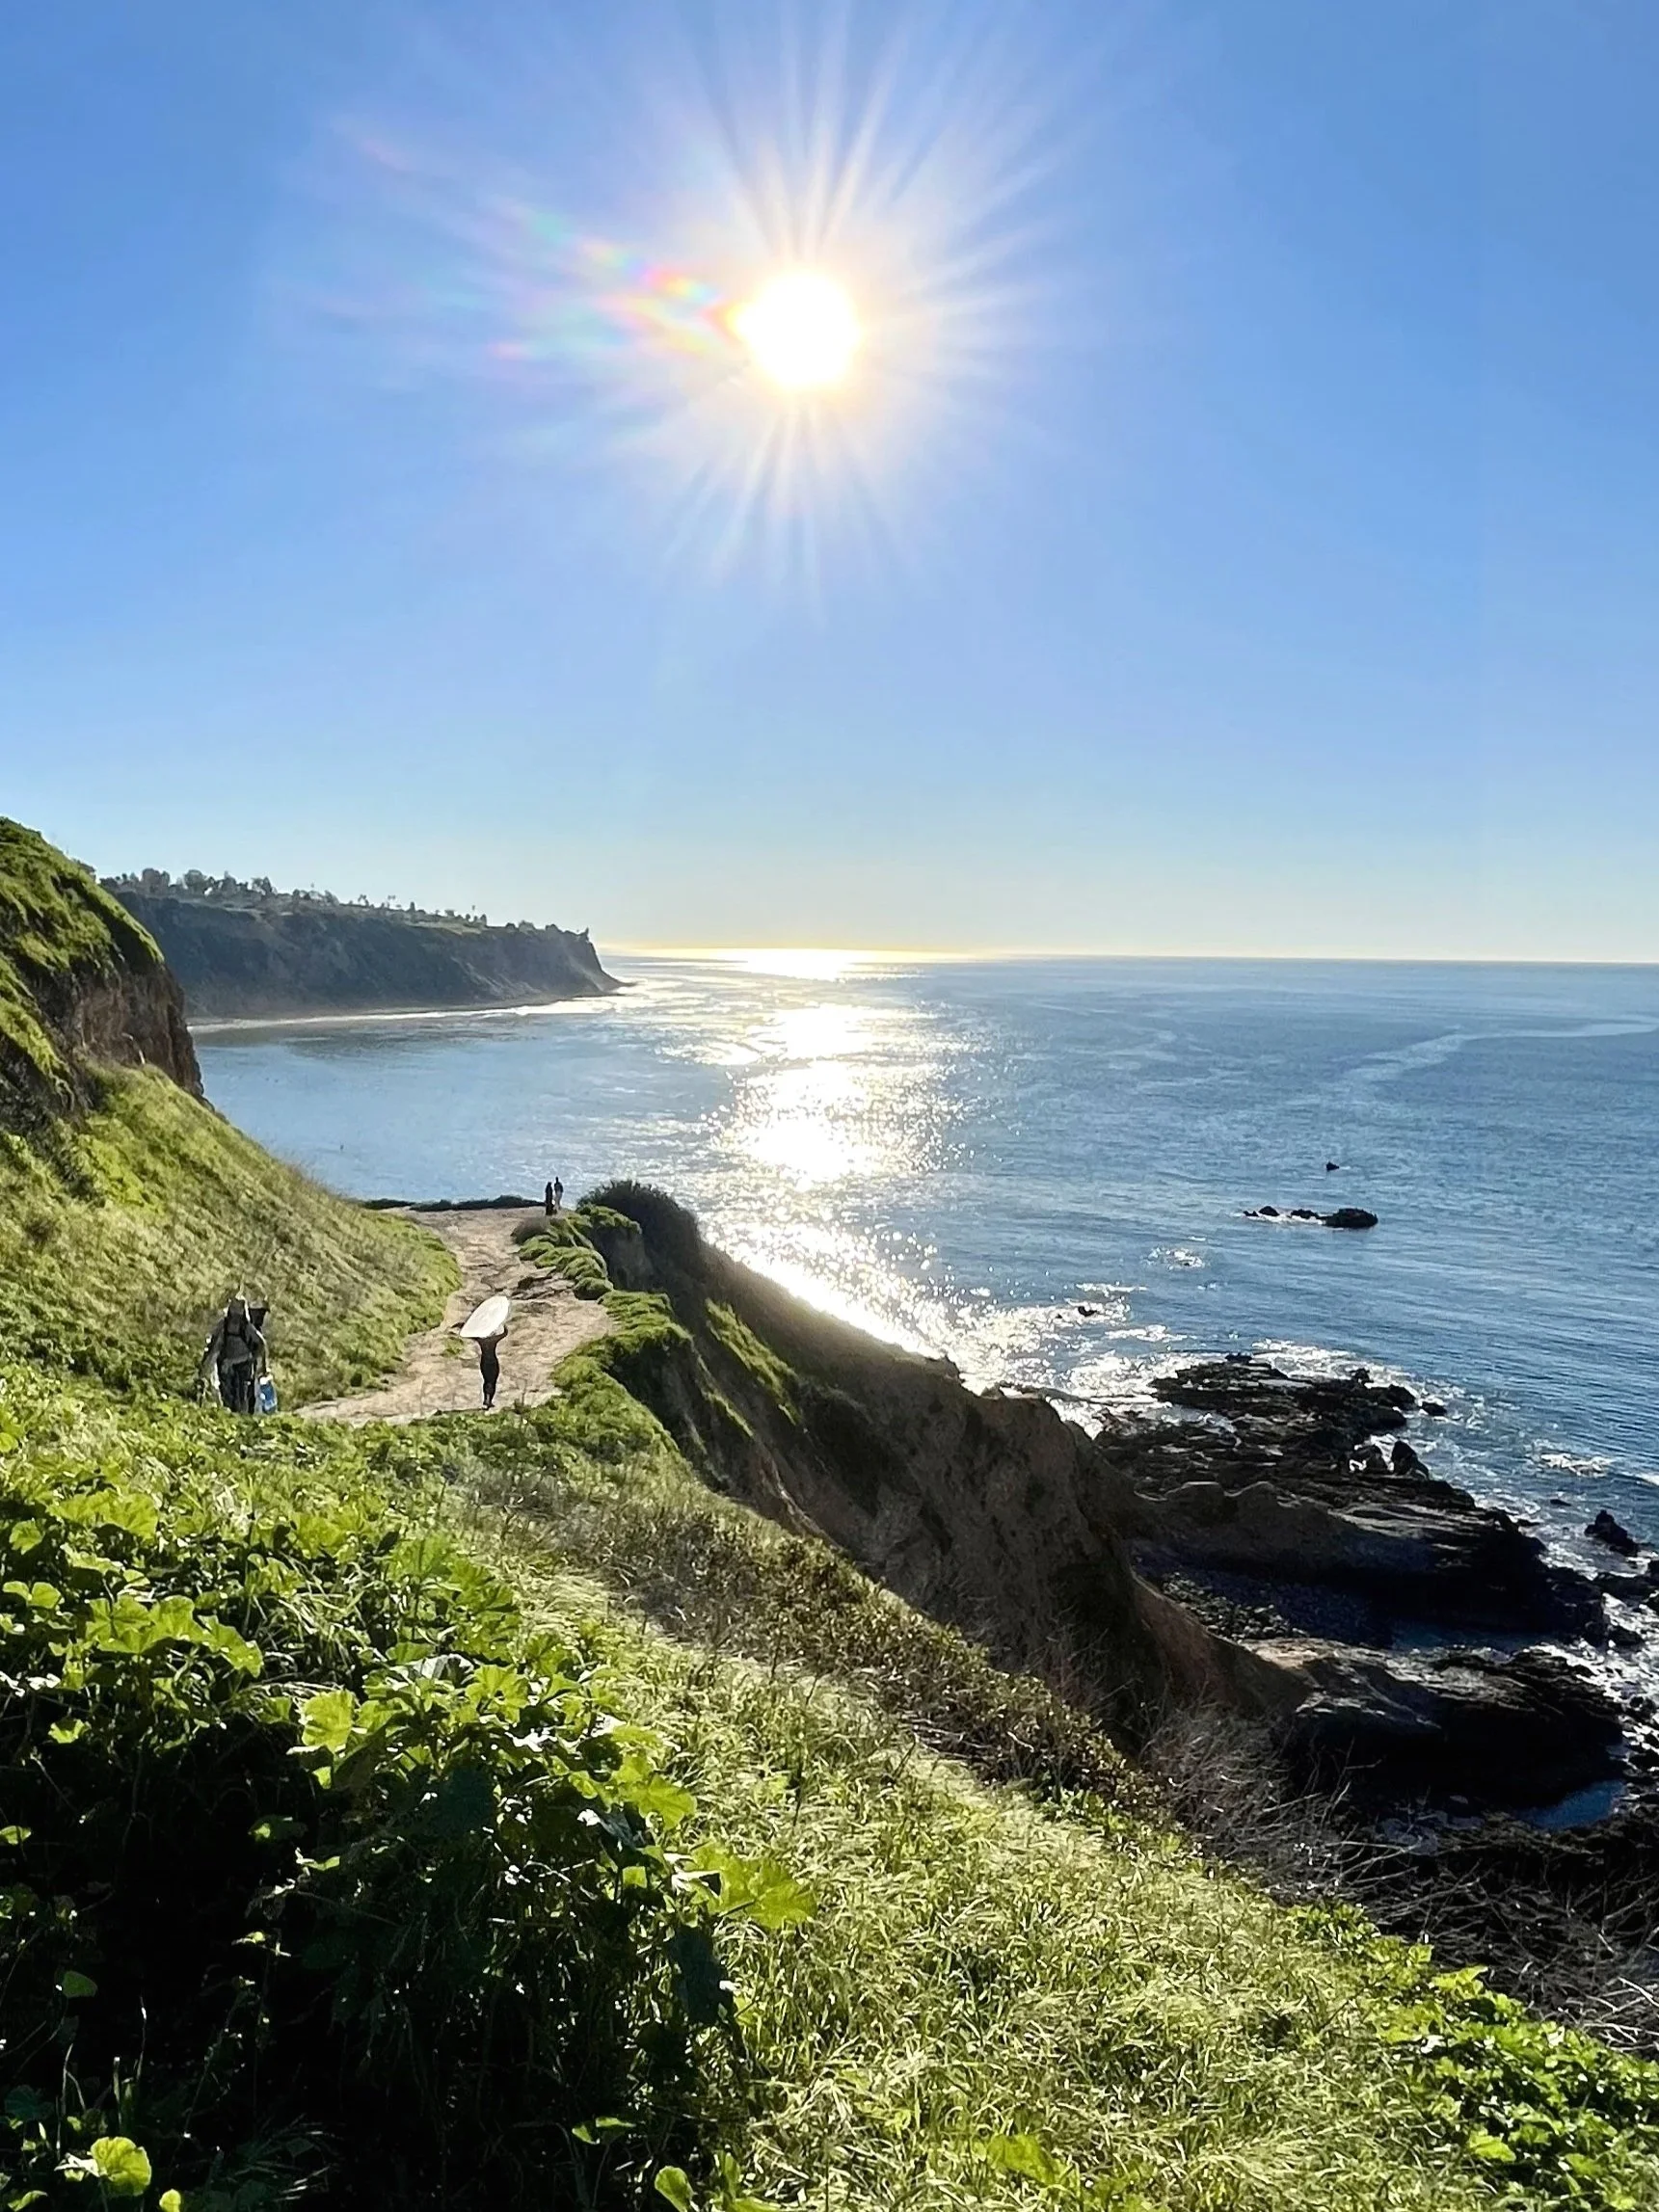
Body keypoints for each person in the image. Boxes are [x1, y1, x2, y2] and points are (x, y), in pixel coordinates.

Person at [199, 1293, 268, 1414]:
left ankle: (241, 1418)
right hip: (226, 1366)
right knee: (227, 1395)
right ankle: (230, 1416)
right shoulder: (223, 1326)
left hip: (243, 1366)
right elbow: (214, 1346)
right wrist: (204, 1369)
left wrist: (257, 1364)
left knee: (241, 1396)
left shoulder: (247, 1328)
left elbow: (260, 1346)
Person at [478, 1328, 505, 1410]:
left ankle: (487, 1400)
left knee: (489, 1382)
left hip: (486, 1363)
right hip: (492, 1363)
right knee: (490, 1382)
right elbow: (504, 1333)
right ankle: (488, 1400)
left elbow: (505, 1333)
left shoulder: (481, 1340)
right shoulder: (492, 1340)